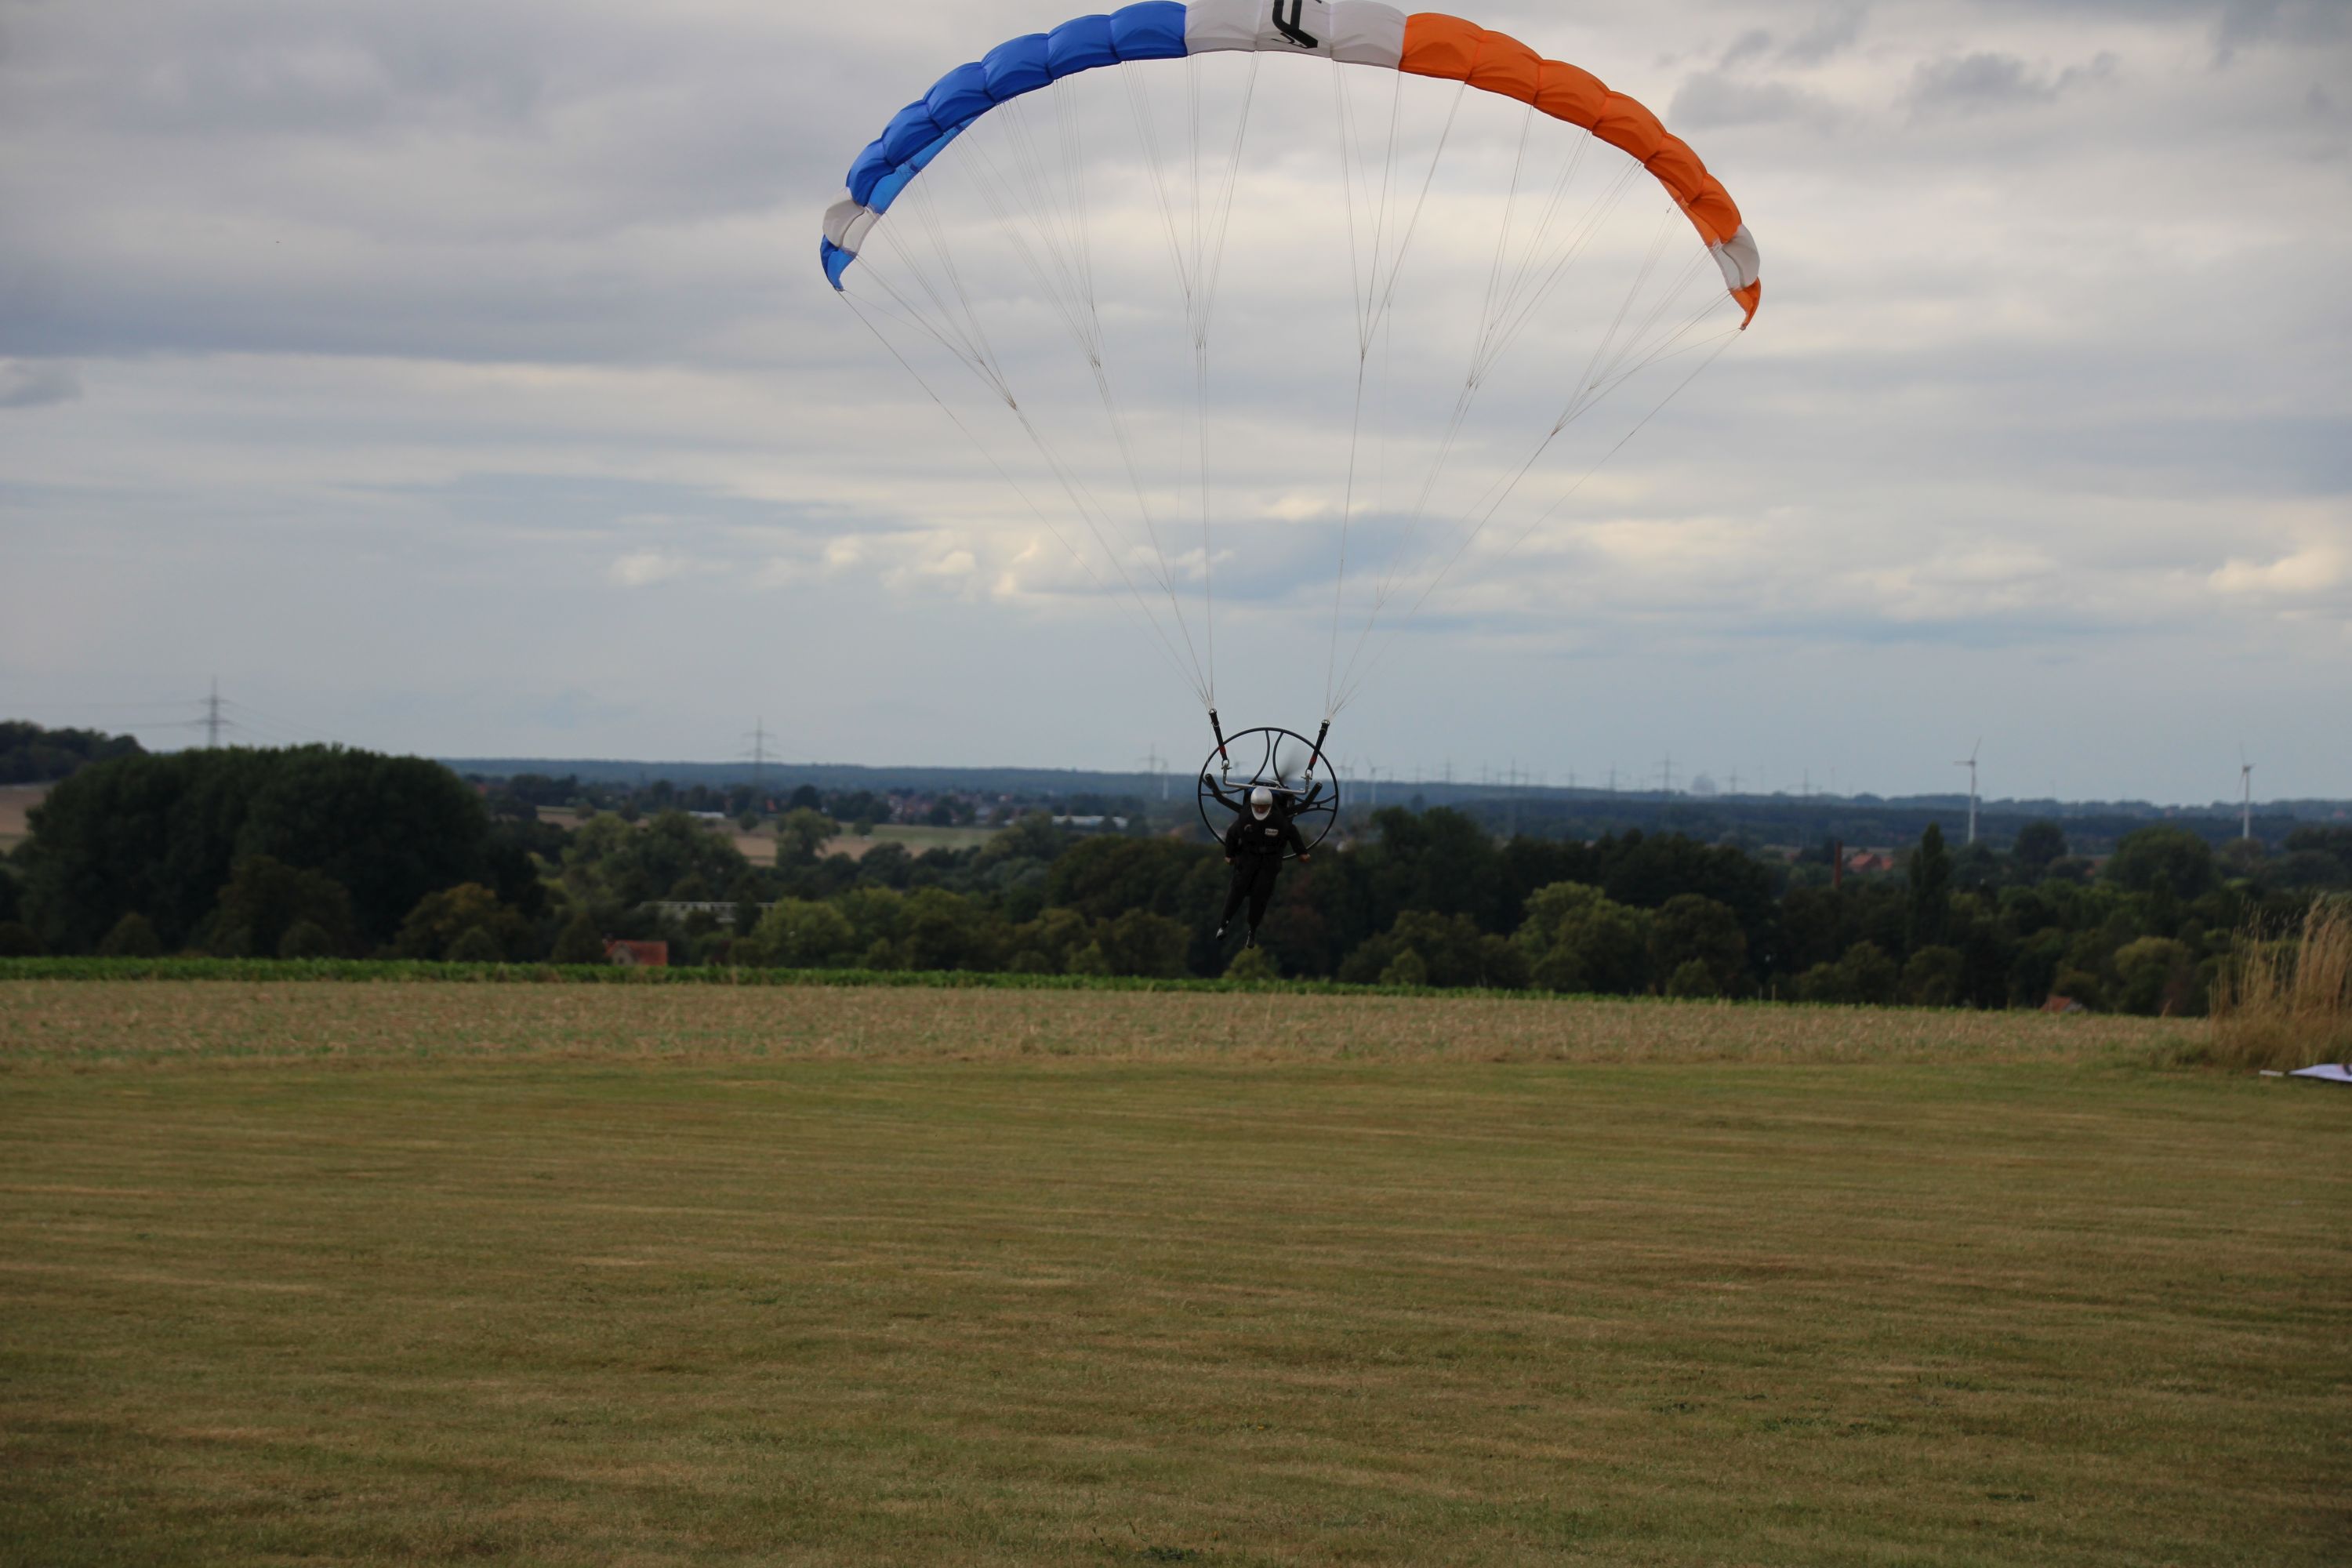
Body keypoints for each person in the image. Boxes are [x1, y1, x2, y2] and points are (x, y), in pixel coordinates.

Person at [1215, 784, 1311, 946]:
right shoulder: (1245, 818)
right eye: (1257, 807)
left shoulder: (1278, 820)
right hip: (1248, 858)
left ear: (1269, 806)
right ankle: (1223, 924)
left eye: (1263, 807)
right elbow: (1231, 835)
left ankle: (1252, 930)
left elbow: (1292, 833)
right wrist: (1229, 855)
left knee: (1261, 893)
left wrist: (1301, 852)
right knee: (1238, 888)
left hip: (1269, 861)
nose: (1260, 810)